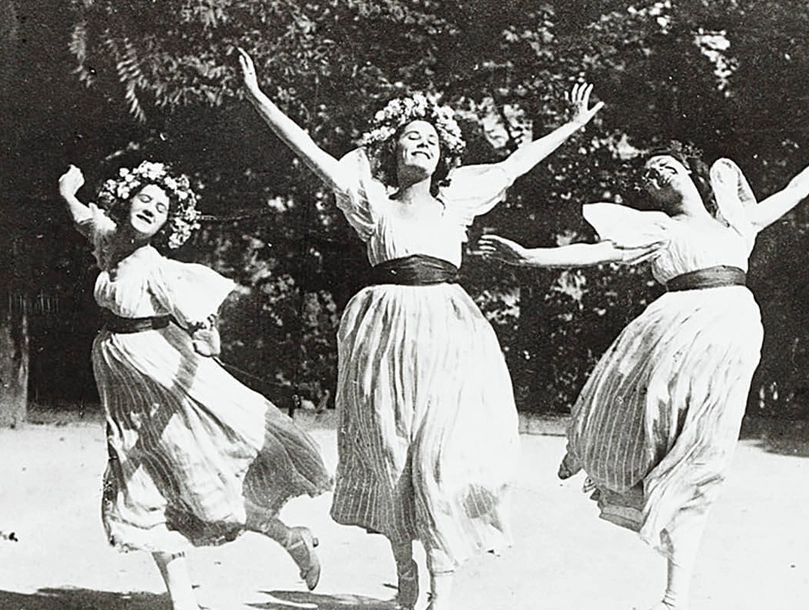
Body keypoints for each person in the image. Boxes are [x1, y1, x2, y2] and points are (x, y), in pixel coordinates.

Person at [237, 49, 604, 609]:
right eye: (411, 136)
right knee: (392, 455)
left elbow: (515, 164)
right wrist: (260, 98)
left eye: (431, 139)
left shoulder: (455, 205)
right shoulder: (371, 202)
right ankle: (405, 577)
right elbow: (309, 151)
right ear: (392, 150)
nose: (422, 143)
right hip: (383, 333)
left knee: (439, 459)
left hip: (448, 331)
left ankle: (441, 590)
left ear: (444, 154)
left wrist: (571, 126)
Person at [477, 111, 809, 610]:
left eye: (665, 167)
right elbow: (596, 252)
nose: (656, 176)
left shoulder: (737, 222)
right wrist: (530, 257)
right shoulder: (657, 229)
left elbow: (794, 192)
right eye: (648, 176)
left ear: (690, 173)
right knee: (646, 411)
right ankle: (593, 446)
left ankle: (675, 597)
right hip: (673, 330)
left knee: (704, 457)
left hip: (731, 338)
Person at [57, 161, 332, 610]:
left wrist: (207, 336)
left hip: (166, 382)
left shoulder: (156, 268)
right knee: (142, 485)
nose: (151, 208)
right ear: (126, 202)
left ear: (168, 223)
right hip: (124, 385)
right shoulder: (110, 241)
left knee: (203, 487)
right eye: (145, 198)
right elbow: (86, 220)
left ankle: (290, 538)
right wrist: (69, 192)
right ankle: (183, 602)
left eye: (162, 207)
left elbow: (195, 315)